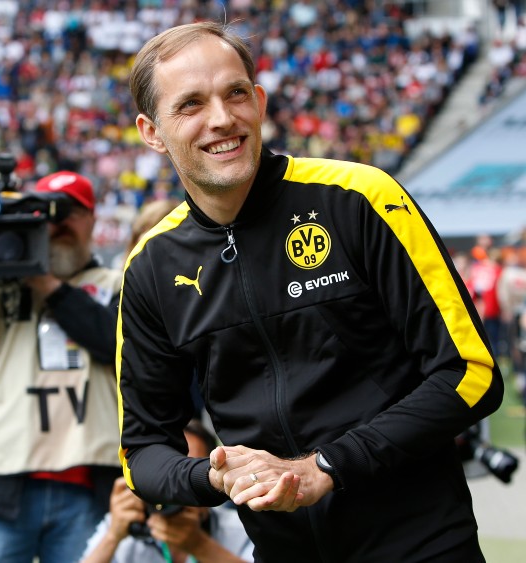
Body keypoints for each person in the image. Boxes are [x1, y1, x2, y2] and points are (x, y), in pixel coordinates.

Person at [116, 22, 504, 562]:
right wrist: (217, 478)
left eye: (235, 94)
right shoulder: (150, 266)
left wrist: (326, 466)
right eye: (191, 105)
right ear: (152, 132)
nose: (222, 119)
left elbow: (470, 372)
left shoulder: (359, 198)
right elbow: (143, 451)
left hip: (420, 544)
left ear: (259, 100)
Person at [0, 170, 121, 563]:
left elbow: (117, 346)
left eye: (71, 212)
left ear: (92, 220)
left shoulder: (116, 282)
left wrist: (47, 284)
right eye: (47, 215)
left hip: (88, 483)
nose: (59, 224)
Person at [81, 420, 253, 563]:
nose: (177, 490)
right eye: (167, 477)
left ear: (214, 480)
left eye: (192, 475)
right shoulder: (126, 522)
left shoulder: (239, 528)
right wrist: (112, 537)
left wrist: (200, 546)